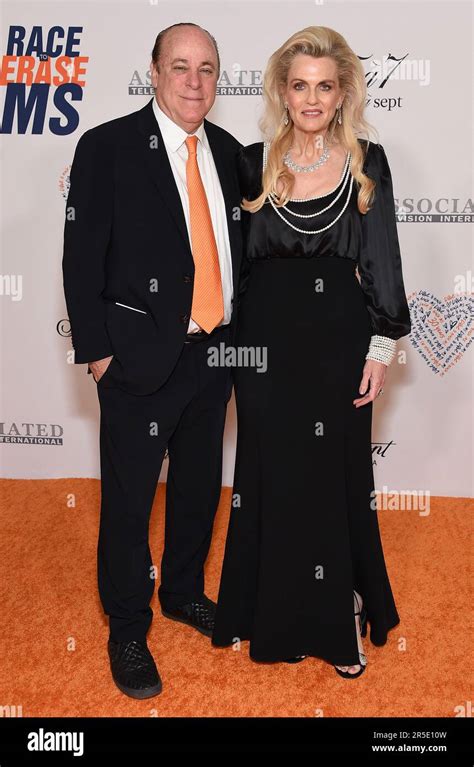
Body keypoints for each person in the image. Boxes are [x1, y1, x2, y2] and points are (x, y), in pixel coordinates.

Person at [212, 26, 412, 679]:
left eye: (325, 85)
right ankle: (275, 615)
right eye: (300, 85)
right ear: (282, 90)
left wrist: (382, 346)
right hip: (265, 342)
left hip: (338, 338)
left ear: (343, 91)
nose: (312, 98)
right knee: (270, 475)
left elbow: (381, 257)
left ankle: (339, 614)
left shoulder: (367, 162)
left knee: (336, 474)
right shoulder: (253, 163)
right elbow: (231, 268)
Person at [62, 23, 244, 698]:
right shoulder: (106, 147)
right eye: (180, 67)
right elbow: (80, 260)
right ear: (155, 71)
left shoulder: (229, 152)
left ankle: (183, 593)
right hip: (136, 361)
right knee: (131, 502)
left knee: (199, 487)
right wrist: (99, 353)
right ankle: (128, 625)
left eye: (206, 69)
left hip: (213, 356)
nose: (194, 81)